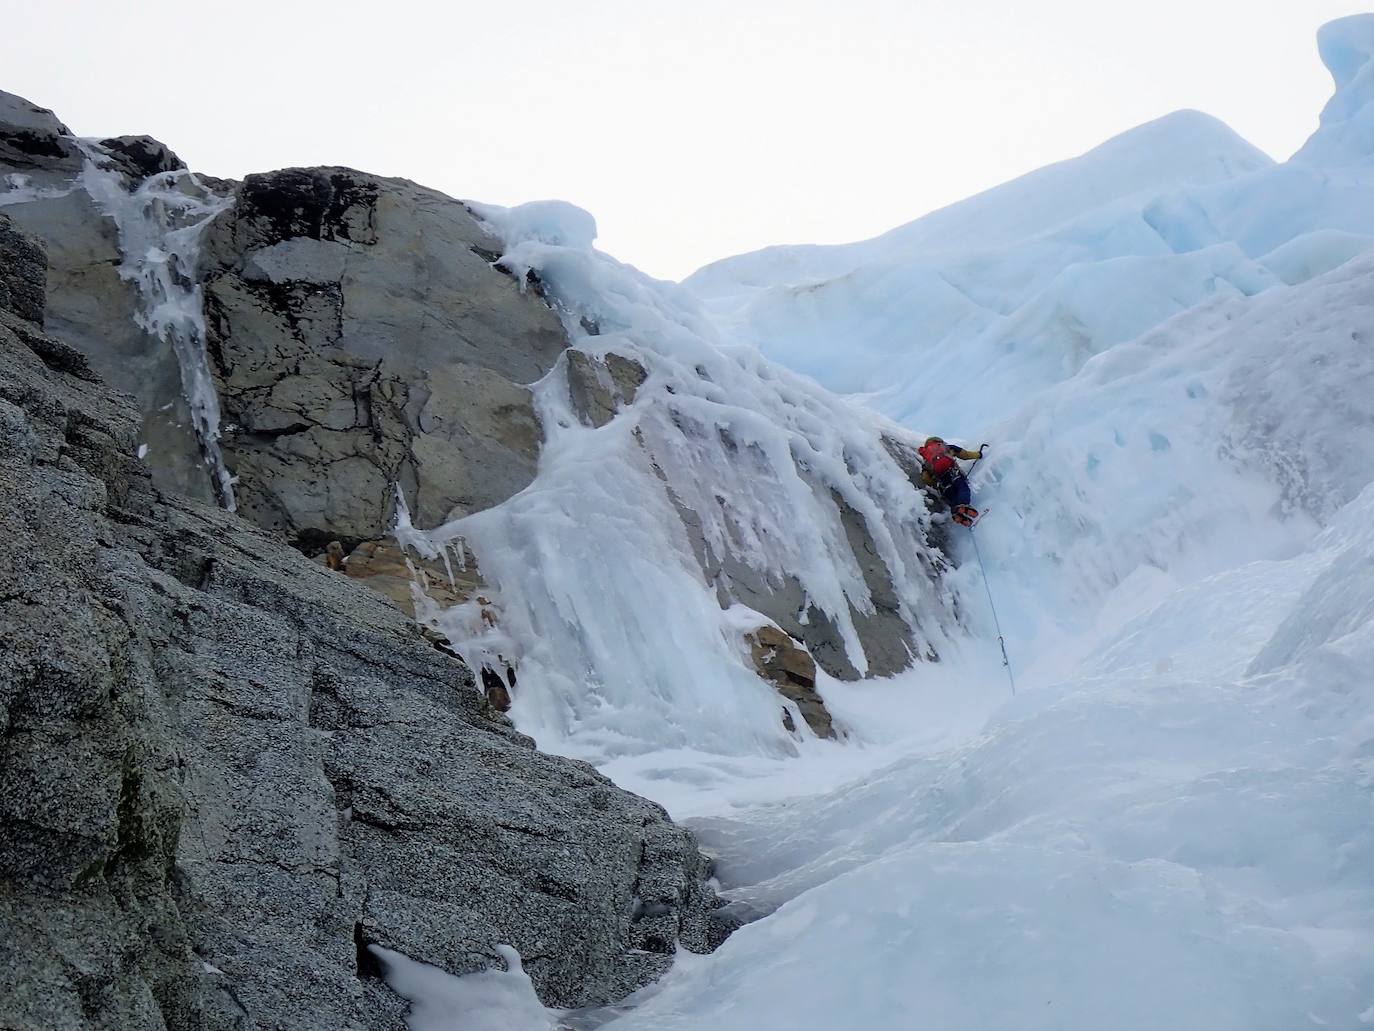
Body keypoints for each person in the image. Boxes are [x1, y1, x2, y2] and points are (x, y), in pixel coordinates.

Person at [917, 436, 986, 527]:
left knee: (952, 498)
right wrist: (978, 455)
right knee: (963, 488)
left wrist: (935, 485)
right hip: (953, 473)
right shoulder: (947, 448)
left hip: (942, 482)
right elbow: (965, 455)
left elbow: (925, 478)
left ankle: (958, 514)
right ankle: (963, 505)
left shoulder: (927, 460)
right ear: (939, 442)